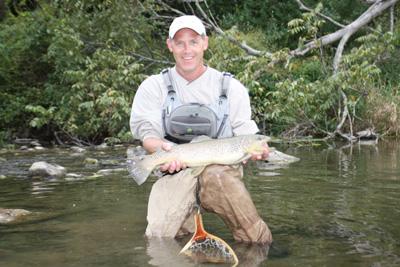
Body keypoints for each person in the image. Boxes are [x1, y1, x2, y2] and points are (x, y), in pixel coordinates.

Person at [130, 15, 272, 244]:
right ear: (170, 46)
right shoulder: (152, 86)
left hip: (221, 175)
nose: (187, 50)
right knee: (159, 241)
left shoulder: (231, 87)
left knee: (254, 239)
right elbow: (148, 134)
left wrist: (260, 149)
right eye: (180, 43)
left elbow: (247, 130)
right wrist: (163, 150)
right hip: (173, 172)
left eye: (194, 42)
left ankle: (259, 250)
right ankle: (187, 230)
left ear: (205, 43)